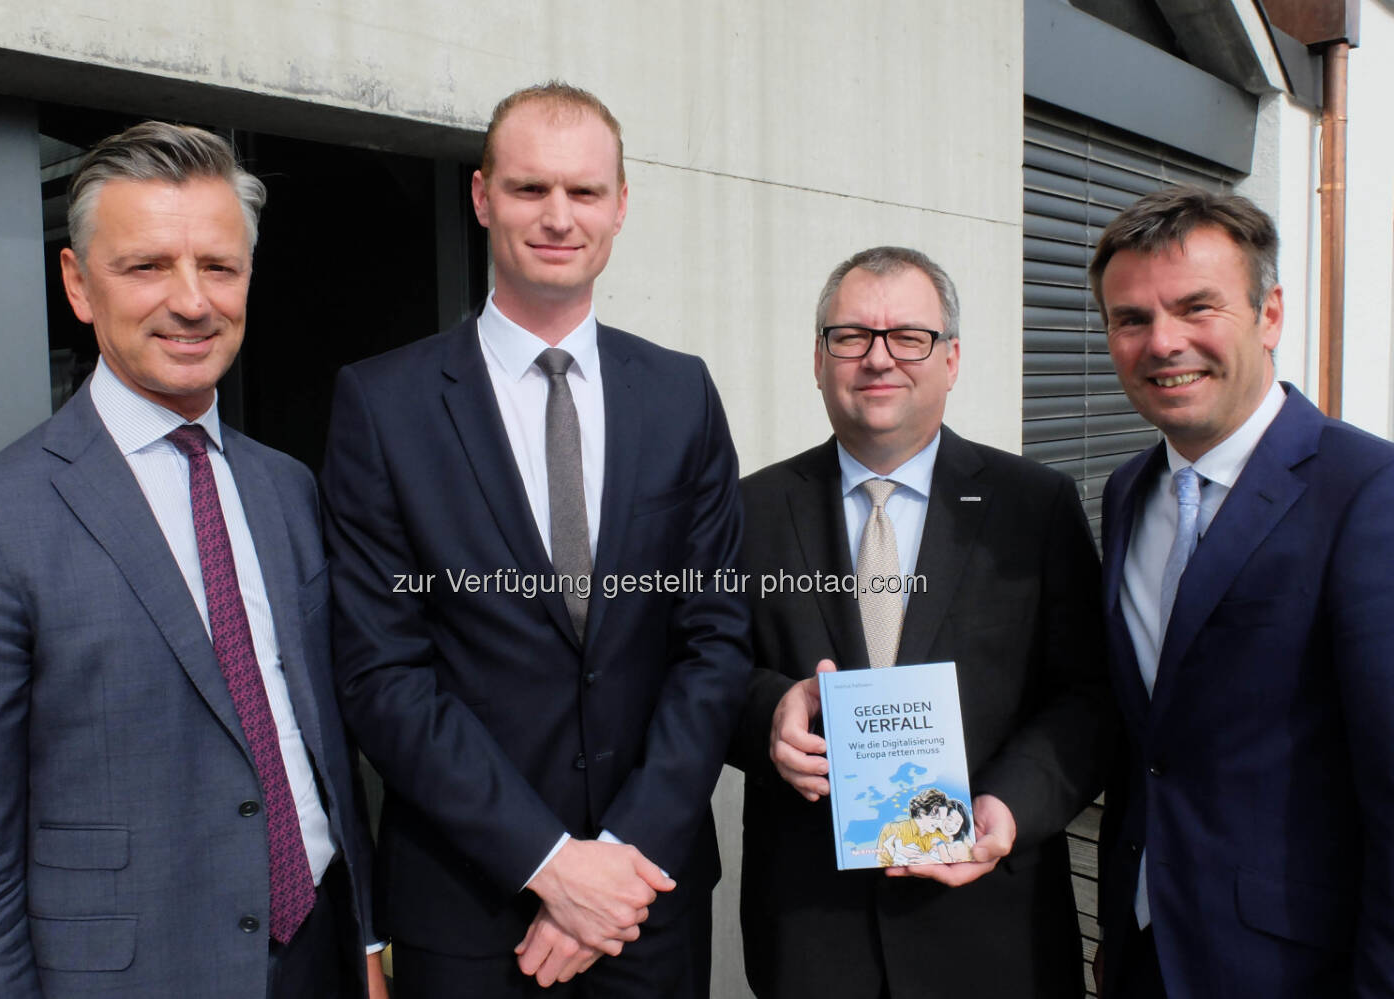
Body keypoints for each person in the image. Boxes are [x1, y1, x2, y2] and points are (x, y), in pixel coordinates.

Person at [320, 82, 750, 997]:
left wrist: (620, 861)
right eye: (528, 189)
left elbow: (715, 641)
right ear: (481, 197)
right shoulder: (383, 404)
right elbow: (381, 672)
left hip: (649, 900)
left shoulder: (681, 393)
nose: (559, 216)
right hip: (470, 907)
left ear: (621, 206)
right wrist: (552, 863)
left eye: (585, 192)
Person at [0, 122, 383, 997]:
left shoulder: (288, 486)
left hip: (319, 956)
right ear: (78, 284)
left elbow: (321, 749)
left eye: (218, 267)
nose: (192, 301)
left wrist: (367, 940)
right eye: (147, 266)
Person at [730, 245, 1109, 999]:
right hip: (811, 929)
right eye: (851, 336)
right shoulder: (749, 510)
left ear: (952, 357)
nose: (879, 359)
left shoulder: (1034, 506)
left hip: (992, 925)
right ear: (818, 359)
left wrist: (1005, 809)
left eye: (909, 336)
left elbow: (1089, 698)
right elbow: (701, 671)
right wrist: (769, 710)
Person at [1092, 186, 1394, 998]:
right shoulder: (1126, 492)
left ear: (1269, 314)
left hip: (1290, 968)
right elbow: (1149, 742)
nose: (1163, 342)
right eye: (1131, 319)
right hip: (1145, 950)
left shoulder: (1368, 491)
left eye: (1197, 307)